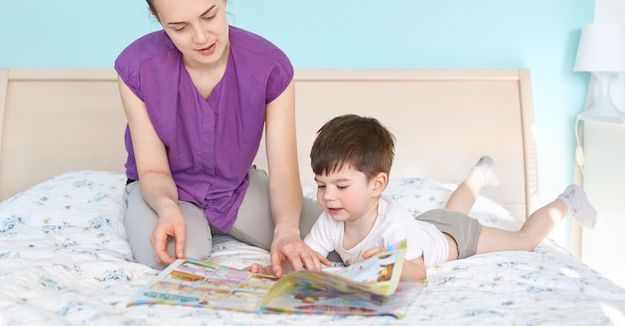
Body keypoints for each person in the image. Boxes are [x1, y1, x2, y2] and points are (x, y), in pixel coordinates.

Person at [115, 0, 324, 277]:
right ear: (156, 17)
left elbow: (284, 174)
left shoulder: (271, 67)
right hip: (165, 191)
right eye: (178, 27)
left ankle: (450, 231)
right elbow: (151, 168)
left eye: (209, 15)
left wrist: (286, 230)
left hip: (237, 190)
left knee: (333, 240)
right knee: (177, 263)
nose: (200, 37)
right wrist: (166, 207)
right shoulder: (136, 68)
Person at [246, 114, 599, 281]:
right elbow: (307, 259)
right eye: (320, 185)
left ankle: (568, 201)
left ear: (377, 184)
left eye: (340, 186)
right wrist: (272, 270)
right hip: (428, 226)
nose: (327, 197)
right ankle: (479, 175)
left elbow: (417, 274)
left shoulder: (393, 222)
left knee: (523, 240)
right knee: (451, 209)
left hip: (456, 238)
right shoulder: (330, 220)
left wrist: (388, 263)